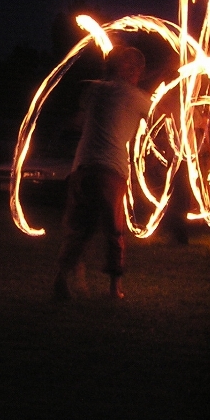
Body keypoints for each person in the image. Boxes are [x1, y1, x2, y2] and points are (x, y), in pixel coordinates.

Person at [53, 46, 151, 300]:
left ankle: (61, 280)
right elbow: (161, 119)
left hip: (81, 168)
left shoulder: (93, 89)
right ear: (129, 69)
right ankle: (114, 289)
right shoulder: (138, 97)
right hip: (110, 169)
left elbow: (78, 120)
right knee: (114, 231)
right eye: (137, 69)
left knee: (78, 229)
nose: (140, 74)